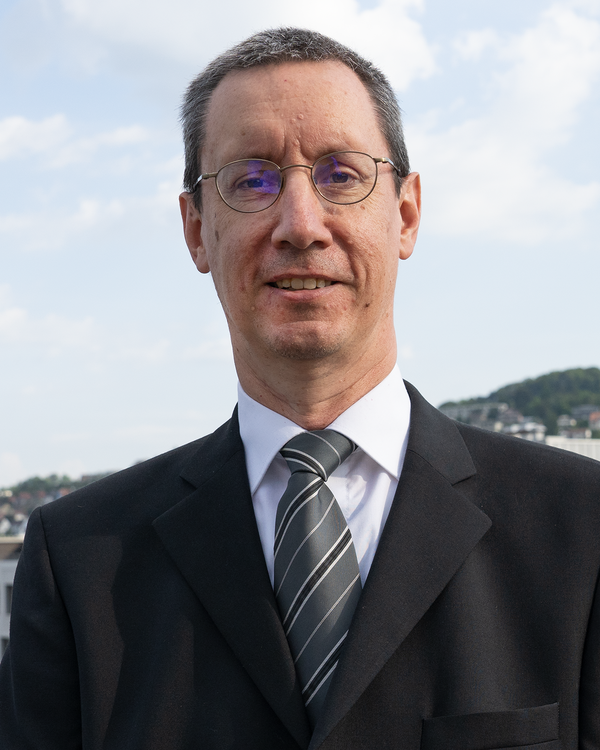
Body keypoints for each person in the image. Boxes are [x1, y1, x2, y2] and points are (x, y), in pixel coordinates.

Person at [1, 27, 599, 750]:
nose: (300, 225)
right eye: (251, 180)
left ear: (406, 214)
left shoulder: (583, 530)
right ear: (195, 230)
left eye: (340, 175)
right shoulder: (78, 565)